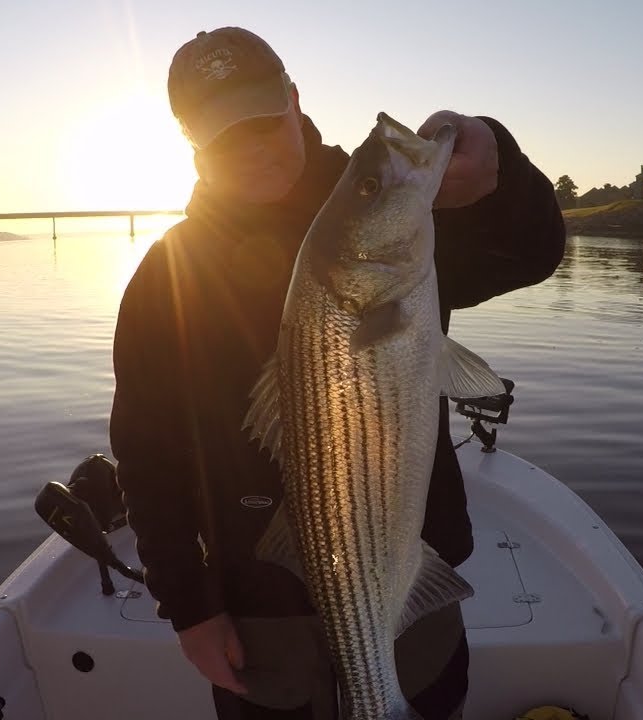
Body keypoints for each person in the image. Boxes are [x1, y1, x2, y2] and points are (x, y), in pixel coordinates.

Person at [109, 26, 565, 720]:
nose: (252, 144)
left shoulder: (400, 218)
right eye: (224, 133)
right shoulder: (165, 280)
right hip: (257, 619)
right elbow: (146, 455)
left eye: (264, 119)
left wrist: (495, 167)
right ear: (190, 141)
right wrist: (189, 609)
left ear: (295, 99)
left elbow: (532, 251)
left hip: (410, 601)